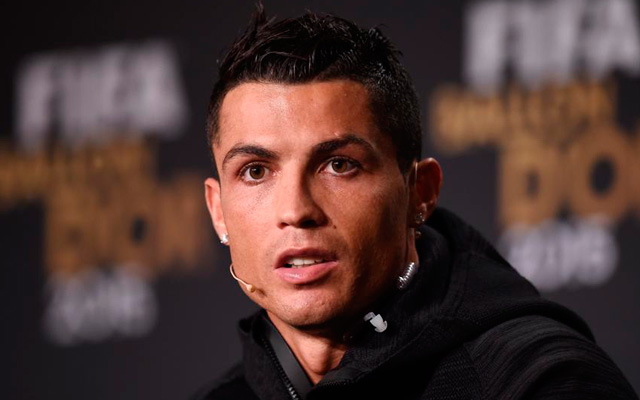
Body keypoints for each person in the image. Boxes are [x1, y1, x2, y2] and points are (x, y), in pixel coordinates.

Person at [195, 4, 638, 399]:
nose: (296, 210)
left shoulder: (544, 381)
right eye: (255, 172)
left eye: (339, 165)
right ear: (218, 212)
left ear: (419, 192)